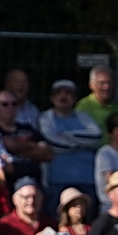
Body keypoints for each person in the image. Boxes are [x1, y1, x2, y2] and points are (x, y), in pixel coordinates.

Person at [39, 80, 101, 213]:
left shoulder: (83, 117)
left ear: (74, 98)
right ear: (52, 98)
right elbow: (53, 142)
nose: (63, 97)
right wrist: (82, 144)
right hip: (57, 180)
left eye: (68, 93)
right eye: (59, 93)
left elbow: (95, 136)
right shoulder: (46, 118)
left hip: (87, 179)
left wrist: (66, 134)